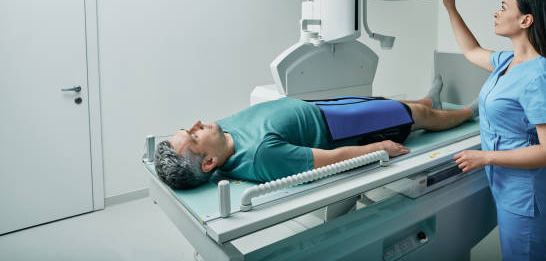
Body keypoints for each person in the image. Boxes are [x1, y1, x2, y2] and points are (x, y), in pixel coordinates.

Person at [438, 0, 546, 261]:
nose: (496, 12)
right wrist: (450, 7)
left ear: (526, 20)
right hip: (507, 185)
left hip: (527, 194)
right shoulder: (509, 61)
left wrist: (486, 158)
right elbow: (471, 51)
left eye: (503, 7)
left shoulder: (540, 76)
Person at [154, 78, 479, 189]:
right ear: (209, 162)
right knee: (415, 117)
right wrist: (380, 148)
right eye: (194, 136)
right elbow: (326, 160)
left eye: (189, 128)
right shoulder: (260, 156)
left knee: (390, 102)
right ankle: (469, 112)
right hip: (343, 129)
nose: (198, 124)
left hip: (326, 109)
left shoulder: (220, 136)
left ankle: (427, 100)